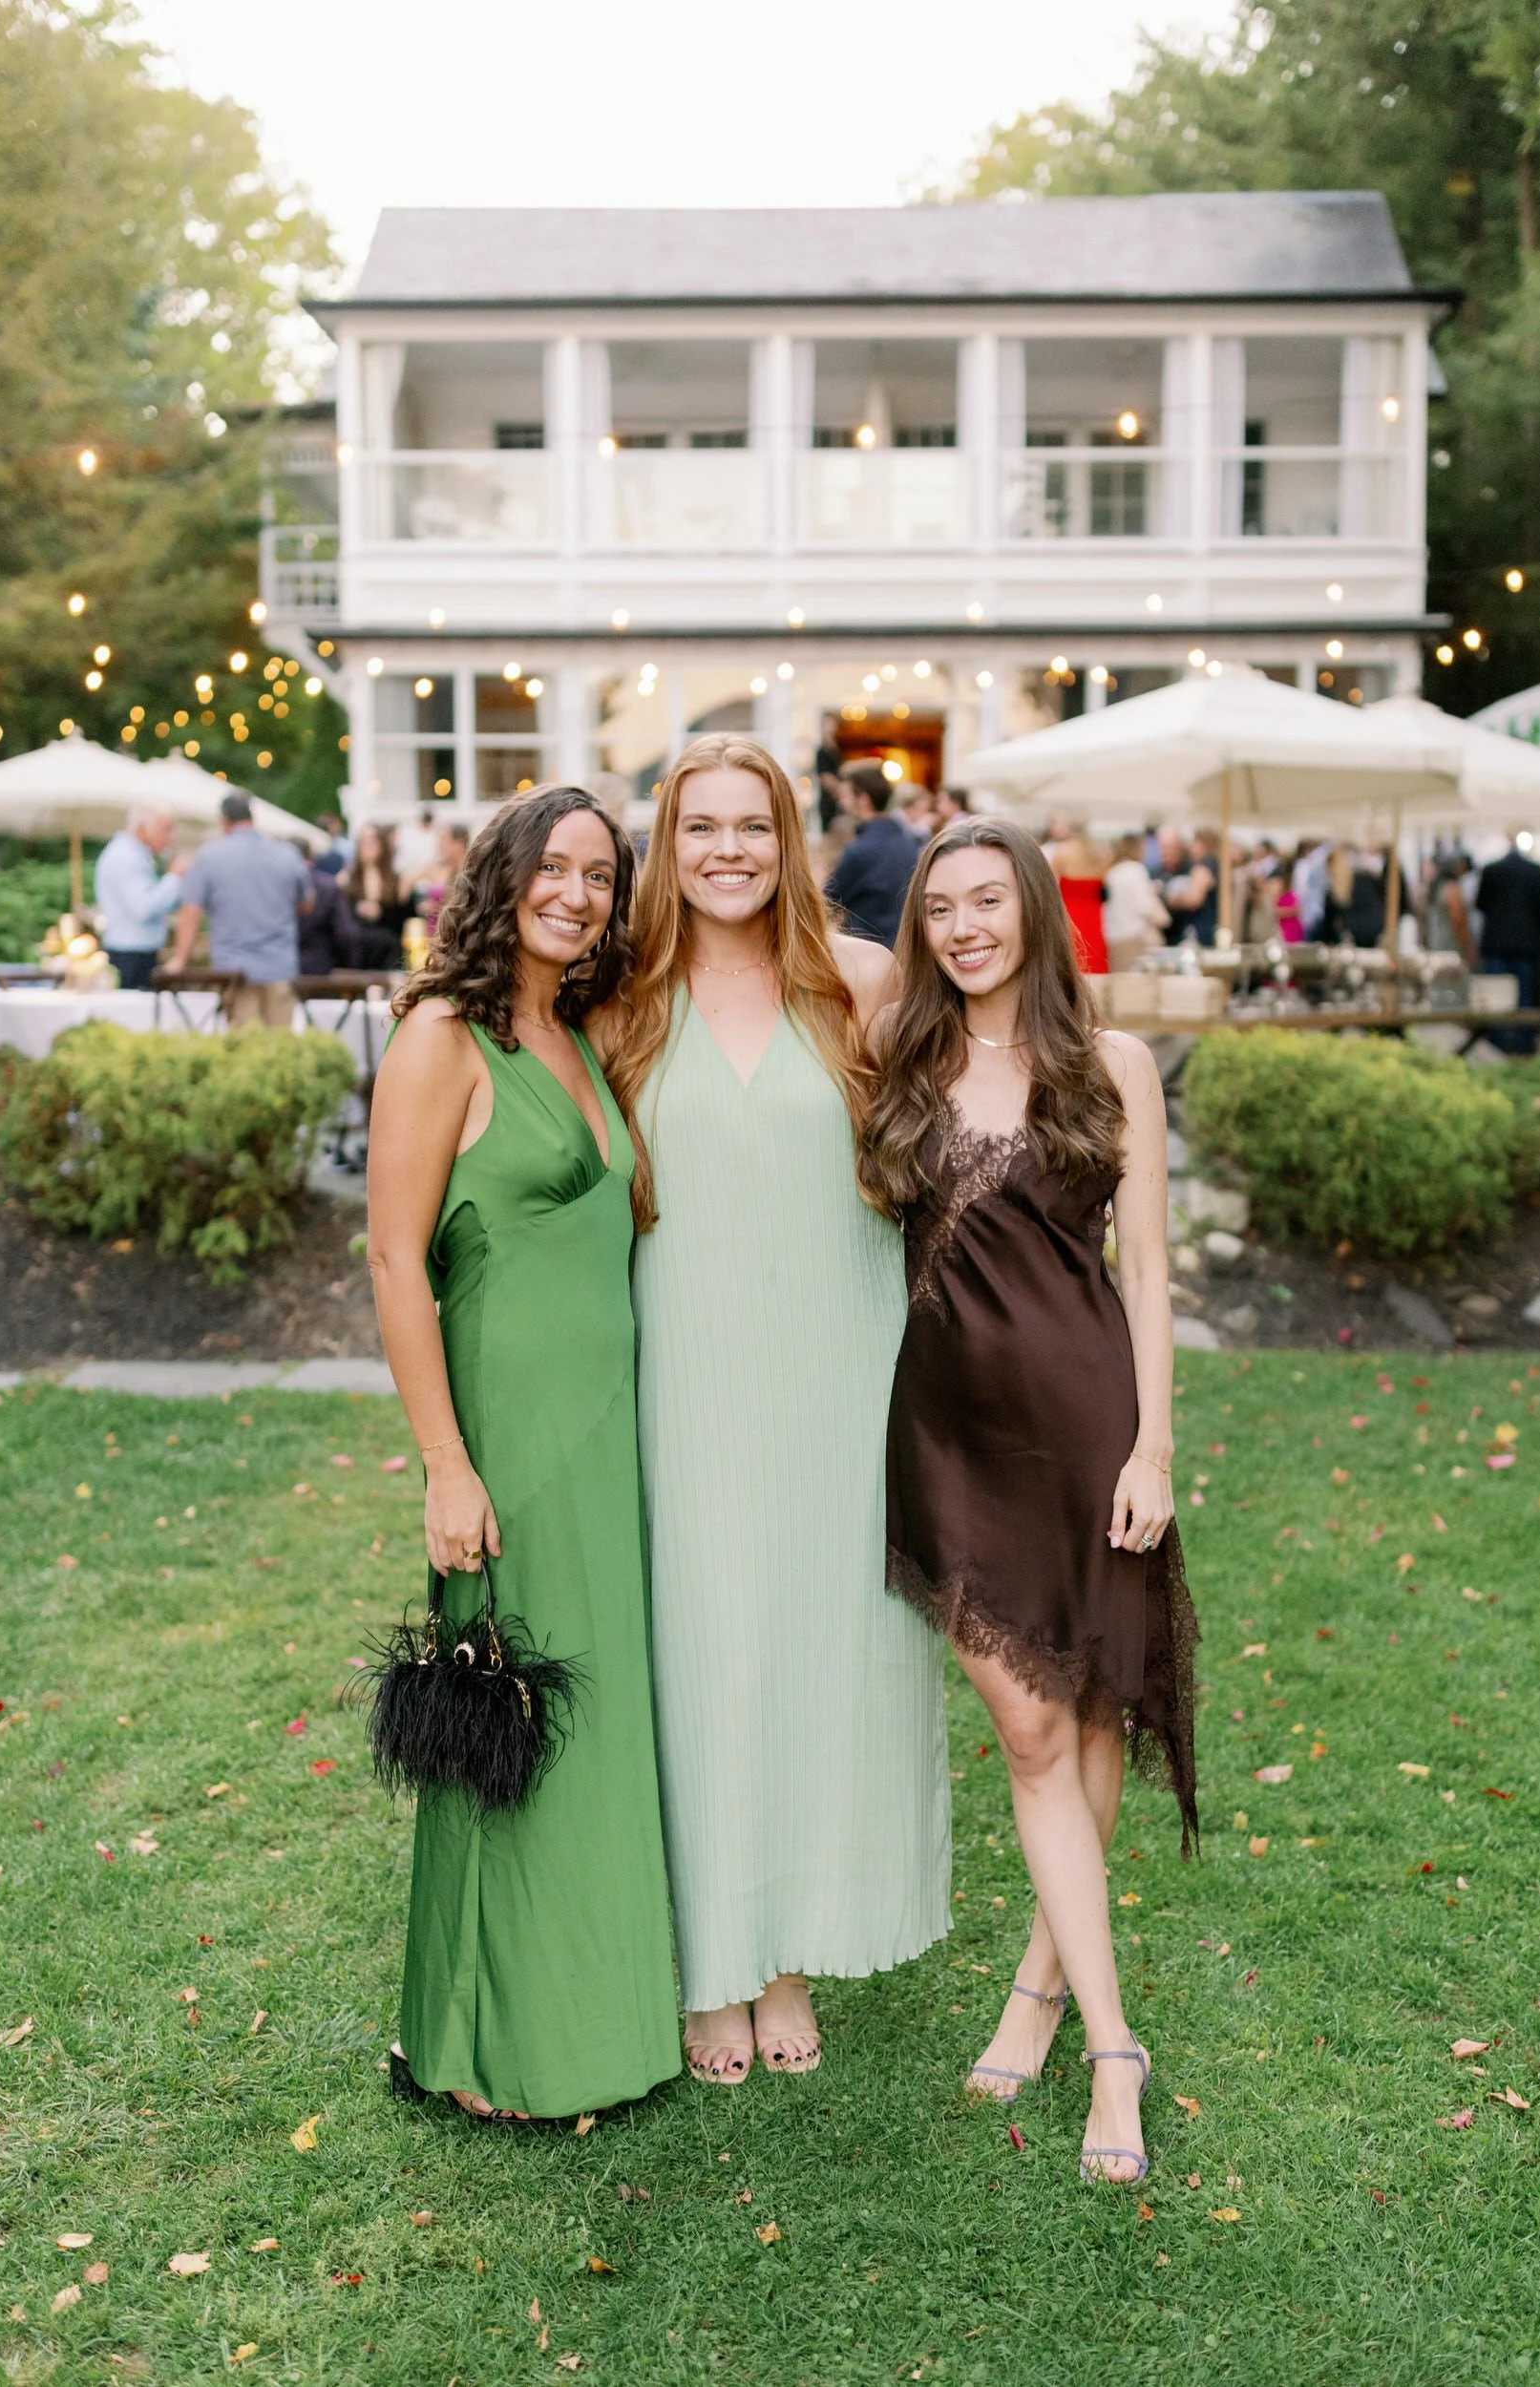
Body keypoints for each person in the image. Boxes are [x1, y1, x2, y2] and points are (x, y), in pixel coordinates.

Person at [600, 731, 949, 2085]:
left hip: (840, 1369)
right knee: (702, 1656)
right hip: (684, 1370)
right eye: (703, 828)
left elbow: (977, 1108)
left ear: (791, 842)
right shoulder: (622, 1001)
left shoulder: (854, 983)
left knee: (819, 1652)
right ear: (666, 847)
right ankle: (709, 1962)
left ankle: (789, 1949)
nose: (730, 850)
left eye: (756, 826)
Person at [862, 816, 1196, 2186]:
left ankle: (1053, 1999)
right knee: (1029, 1723)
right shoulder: (898, 1056)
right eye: (941, 907)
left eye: (989, 901)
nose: (964, 927)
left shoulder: (1111, 1064)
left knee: (1094, 1703)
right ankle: (1117, 2042)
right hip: (948, 1438)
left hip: (1090, 1428)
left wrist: (1155, 1447)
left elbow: (1155, 1270)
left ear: (1035, 913)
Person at [367, 786, 681, 2123]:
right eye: (553, 867)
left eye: (601, 877)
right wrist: (446, 1461)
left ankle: (602, 2022)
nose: (577, 892)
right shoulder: (447, 1035)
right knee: (515, 1712)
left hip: (608, 1428)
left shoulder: (580, 1033)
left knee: (595, 1718)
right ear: (503, 875)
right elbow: (392, 1255)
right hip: (509, 1430)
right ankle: (489, 2044)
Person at [165, 792, 311, 1027]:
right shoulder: (287, 854)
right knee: (282, 1049)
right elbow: (306, 902)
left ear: (224, 820)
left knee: (244, 1049)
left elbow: (191, 910)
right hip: (280, 966)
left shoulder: (209, 856)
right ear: (252, 818)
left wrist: (180, 959)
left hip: (234, 970)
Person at [824, 760, 921, 947]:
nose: (841, 803)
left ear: (863, 799)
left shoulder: (861, 850)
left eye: (845, 796)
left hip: (866, 952)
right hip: (903, 949)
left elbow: (825, 901)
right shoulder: (908, 842)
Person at [94, 799, 184, 990]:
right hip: (131, 958)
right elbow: (144, 909)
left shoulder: (132, 855)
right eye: (166, 829)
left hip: (135, 955)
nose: (170, 837)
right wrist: (174, 878)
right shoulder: (126, 857)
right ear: (144, 828)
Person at [1476, 833, 1540, 1053]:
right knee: (1524, 997)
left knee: (1496, 996)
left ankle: (1497, 1045)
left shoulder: (1491, 870)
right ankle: (1523, 1045)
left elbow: (1481, 903)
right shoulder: (1534, 870)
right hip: (1525, 943)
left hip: (1496, 942)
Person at [346, 822, 413, 972]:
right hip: (358, 954)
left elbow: (404, 919)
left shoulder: (396, 880)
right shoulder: (347, 880)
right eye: (363, 841)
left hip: (388, 953)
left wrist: (380, 912)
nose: (367, 846)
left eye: (372, 841)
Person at [1046, 824, 1113, 975]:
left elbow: (1048, 884)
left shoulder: (1062, 852)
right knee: (1095, 955)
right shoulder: (1101, 853)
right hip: (1094, 913)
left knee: (1073, 956)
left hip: (1071, 912)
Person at [1103, 834, 1170, 971]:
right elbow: (1145, 907)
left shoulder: (1112, 872)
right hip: (1134, 937)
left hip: (1114, 935)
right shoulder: (1136, 870)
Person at [296, 853, 363, 975]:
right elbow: (346, 934)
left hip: (274, 971)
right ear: (311, 859)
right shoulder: (329, 887)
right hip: (318, 970)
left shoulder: (270, 887)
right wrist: (351, 966)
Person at [1163, 829, 1222, 947]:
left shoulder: (1202, 867)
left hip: (1199, 926)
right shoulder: (1216, 863)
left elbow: (1194, 900)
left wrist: (1170, 900)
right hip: (1212, 923)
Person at [1424, 848, 1478, 969]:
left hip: (1437, 944)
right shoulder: (1452, 888)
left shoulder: (1438, 886)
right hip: (1450, 946)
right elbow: (1458, 920)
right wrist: (1467, 947)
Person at [813, 712, 847, 835]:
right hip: (829, 801)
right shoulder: (822, 751)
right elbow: (825, 777)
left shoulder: (834, 749)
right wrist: (841, 792)